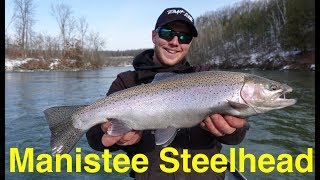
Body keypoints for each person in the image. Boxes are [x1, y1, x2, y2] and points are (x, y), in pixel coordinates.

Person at [86, 7, 249, 180]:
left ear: (190, 43)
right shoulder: (127, 82)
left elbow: (237, 135)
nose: (175, 42)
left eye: (184, 37)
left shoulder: (207, 76)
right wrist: (108, 138)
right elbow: (94, 137)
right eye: (167, 33)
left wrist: (231, 131)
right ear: (154, 36)